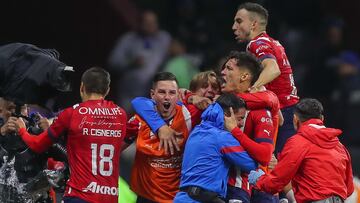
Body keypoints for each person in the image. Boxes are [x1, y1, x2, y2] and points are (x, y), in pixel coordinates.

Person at [10, 67, 127, 203]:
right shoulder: (121, 115)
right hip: (110, 197)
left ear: (82, 87)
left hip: (80, 195)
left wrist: (22, 131)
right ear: (107, 90)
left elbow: (37, 145)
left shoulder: (71, 114)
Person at [248, 98, 354, 203]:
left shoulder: (297, 142)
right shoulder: (340, 146)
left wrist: (260, 180)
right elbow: (349, 189)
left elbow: (277, 181)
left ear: (295, 119)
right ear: (322, 118)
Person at [232, 2, 299, 155]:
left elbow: (273, 69)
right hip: (288, 110)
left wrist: (253, 90)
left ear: (253, 24)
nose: (234, 27)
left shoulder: (257, 43)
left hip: (283, 112)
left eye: (239, 21)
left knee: (278, 167)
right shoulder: (271, 41)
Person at [174, 93, 257, 203]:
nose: (241, 124)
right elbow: (250, 164)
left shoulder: (197, 131)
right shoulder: (222, 137)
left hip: (182, 198)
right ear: (228, 115)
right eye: (240, 118)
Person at [123, 72, 192, 203]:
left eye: (172, 93)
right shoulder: (139, 120)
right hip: (146, 197)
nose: (167, 97)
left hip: (178, 197)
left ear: (178, 95)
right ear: (152, 95)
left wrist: (191, 96)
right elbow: (115, 148)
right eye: (161, 92)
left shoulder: (188, 116)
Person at [220, 51, 280, 203]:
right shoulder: (218, 99)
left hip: (250, 184)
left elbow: (265, 155)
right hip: (222, 182)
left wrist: (235, 131)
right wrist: (189, 95)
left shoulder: (260, 110)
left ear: (244, 76)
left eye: (229, 68)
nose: (223, 72)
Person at [108, 10, 171, 112]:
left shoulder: (164, 39)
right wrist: (131, 62)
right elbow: (113, 62)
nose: (151, 26)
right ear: (140, 23)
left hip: (155, 95)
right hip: (130, 94)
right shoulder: (128, 39)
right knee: (126, 123)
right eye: (147, 23)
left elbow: (173, 59)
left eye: (153, 23)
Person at [0, 97, 59, 203]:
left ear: (27, 111)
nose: (16, 114)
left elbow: (68, 158)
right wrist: (1, 133)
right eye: (10, 108)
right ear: (1, 111)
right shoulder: (1, 134)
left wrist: (49, 134)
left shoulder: (39, 134)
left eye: (21, 109)